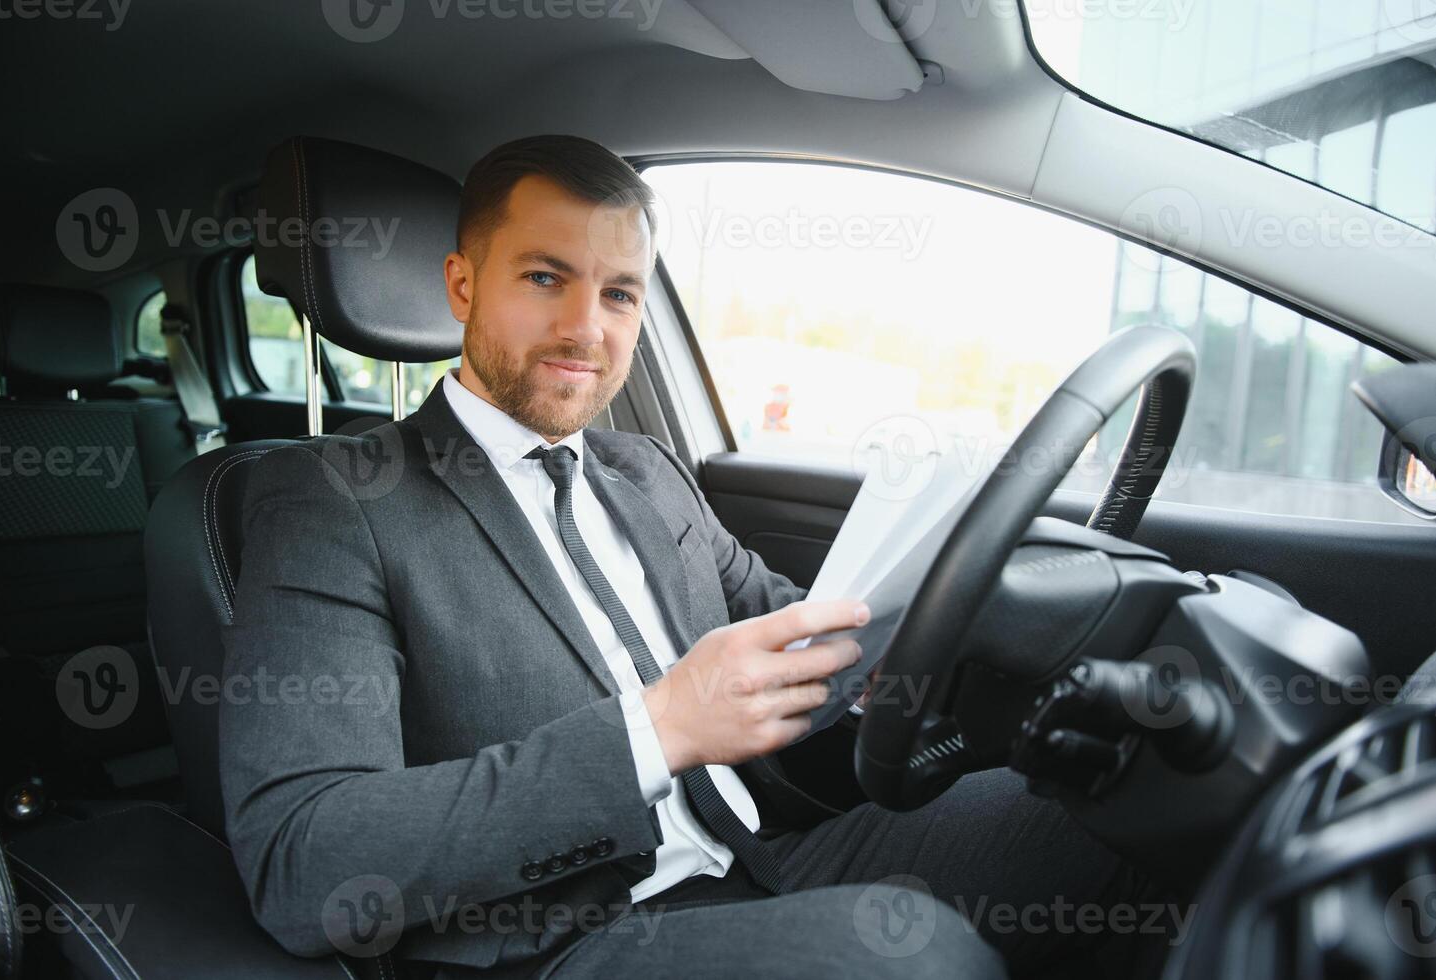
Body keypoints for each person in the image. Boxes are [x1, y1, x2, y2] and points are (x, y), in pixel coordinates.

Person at [221, 135, 1153, 980]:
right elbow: (303, 862)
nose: (589, 328)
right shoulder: (336, 500)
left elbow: (784, 617)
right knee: (910, 959)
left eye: (620, 292)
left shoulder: (644, 470)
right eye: (546, 277)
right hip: (558, 943)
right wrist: (658, 729)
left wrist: (916, 622)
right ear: (463, 285)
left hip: (762, 856)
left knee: (1123, 788)